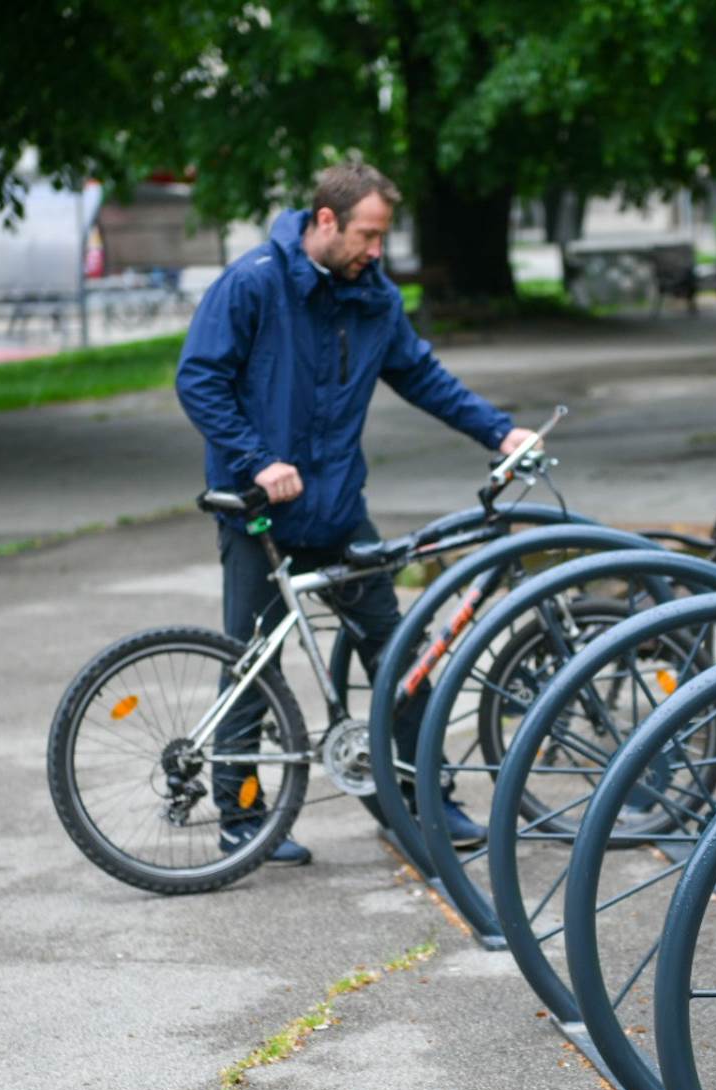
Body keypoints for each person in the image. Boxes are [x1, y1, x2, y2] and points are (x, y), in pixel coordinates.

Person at [176, 161, 533, 867]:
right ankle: (242, 818)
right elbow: (199, 377)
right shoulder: (254, 281)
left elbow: (423, 376)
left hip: (338, 513)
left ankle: (421, 799)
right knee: (254, 665)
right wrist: (256, 459)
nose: (377, 250)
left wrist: (500, 431)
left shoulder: (372, 298)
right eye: (368, 235)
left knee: (398, 652)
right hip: (260, 515)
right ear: (326, 220)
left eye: (383, 237)